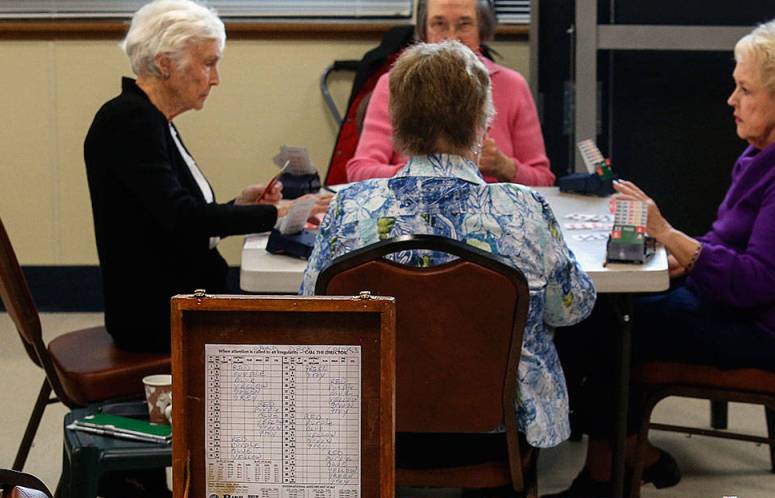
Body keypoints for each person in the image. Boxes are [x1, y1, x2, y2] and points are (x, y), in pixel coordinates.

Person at [551, 18, 775, 498]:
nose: (731, 100)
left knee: (614, 325)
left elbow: (759, 281)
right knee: (604, 313)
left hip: (768, 328)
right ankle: (631, 456)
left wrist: (671, 238)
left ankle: (607, 476)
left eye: (744, 89)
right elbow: (728, 243)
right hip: (740, 304)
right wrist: (678, 255)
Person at [301, 40, 595, 452]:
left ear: (396, 121)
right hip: (498, 427)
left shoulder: (350, 206)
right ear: (482, 121)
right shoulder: (524, 209)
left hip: (374, 426)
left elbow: (314, 311)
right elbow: (572, 308)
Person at [84, 0, 329, 353]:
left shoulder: (149, 119)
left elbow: (172, 218)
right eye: (208, 63)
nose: (215, 79)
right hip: (158, 314)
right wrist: (277, 212)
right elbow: (183, 219)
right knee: (310, 331)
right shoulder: (129, 122)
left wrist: (240, 205)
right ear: (165, 64)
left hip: (179, 296)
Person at [345, 0, 555, 187]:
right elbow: (359, 171)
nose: (452, 38)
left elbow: (543, 180)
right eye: (439, 24)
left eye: (464, 24)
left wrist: (504, 166)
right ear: (423, 31)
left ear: (481, 29)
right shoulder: (394, 84)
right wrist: (423, 174)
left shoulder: (513, 85)